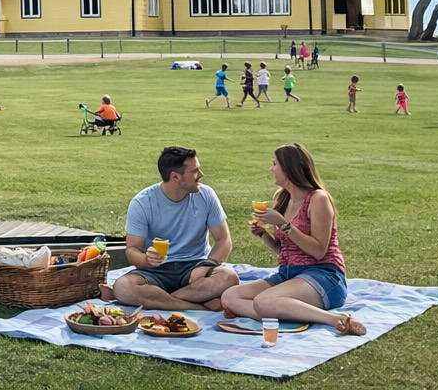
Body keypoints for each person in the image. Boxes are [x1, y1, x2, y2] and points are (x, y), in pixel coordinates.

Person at [221, 143, 367, 336]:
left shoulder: (318, 199)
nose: (271, 169)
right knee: (230, 296)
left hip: (323, 275)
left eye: (275, 164)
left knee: (263, 301)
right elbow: (286, 252)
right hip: (288, 274)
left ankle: (337, 319)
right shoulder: (281, 198)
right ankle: (285, 312)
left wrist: (284, 225)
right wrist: (264, 234)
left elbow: (318, 251)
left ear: (289, 169)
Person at [110, 146, 238, 311]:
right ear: (175, 177)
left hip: (194, 268)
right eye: (195, 171)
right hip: (156, 271)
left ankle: (162, 299)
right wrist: (146, 260)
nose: (201, 175)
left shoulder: (206, 195)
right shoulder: (142, 202)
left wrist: (206, 265)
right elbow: (132, 250)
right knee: (123, 287)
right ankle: (199, 307)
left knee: (229, 277)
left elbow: (224, 240)